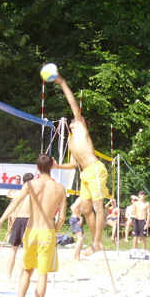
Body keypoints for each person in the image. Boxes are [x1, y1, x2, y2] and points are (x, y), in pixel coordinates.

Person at [0, 154, 66, 297]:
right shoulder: (60, 188)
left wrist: (0, 221)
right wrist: (54, 231)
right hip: (47, 232)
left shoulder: (30, 184)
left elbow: (15, 203)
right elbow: (62, 217)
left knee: (27, 270)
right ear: (52, 167)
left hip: (32, 231)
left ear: (37, 168)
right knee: (42, 275)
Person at [52, 75, 109, 256]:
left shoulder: (82, 129)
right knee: (85, 209)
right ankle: (95, 242)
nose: (73, 119)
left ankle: (97, 243)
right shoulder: (71, 141)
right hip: (85, 174)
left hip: (96, 170)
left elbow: (72, 103)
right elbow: (72, 164)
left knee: (98, 208)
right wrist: (56, 166)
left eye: (77, 118)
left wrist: (62, 82)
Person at [6, 173, 34, 282]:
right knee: (23, 250)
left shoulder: (17, 193)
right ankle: (20, 275)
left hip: (17, 220)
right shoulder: (32, 194)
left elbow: (8, 195)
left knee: (13, 250)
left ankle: (8, 276)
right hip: (26, 220)